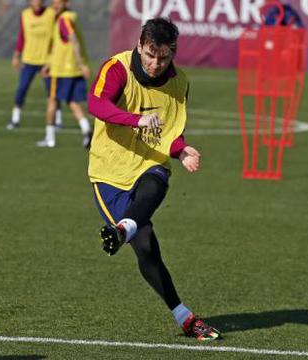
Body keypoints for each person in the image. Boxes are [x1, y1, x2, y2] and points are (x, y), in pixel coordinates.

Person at [87, 18, 222, 342]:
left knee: (157, 180)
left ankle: (125, 228)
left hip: (149, 162)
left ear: (173, 52)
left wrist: (182, 150)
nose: (156, 63)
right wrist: (136, 120)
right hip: (109, 172)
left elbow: (170, 134)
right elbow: (96, 104)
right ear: (140, 45)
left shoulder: (179, 82)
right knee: (146, 247)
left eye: (163, 57)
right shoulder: (118, 68)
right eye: (150, 54)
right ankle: (184, 317)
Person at [36, 0, 92, 148]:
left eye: (58, 2)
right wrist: (48, 63)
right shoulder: (69, 17)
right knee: (72, 102)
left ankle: (50, 138)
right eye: (53, 3)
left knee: (52, 101)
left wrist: (82, 64)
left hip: (62, 70)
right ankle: (87, 130)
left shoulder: (64, 19)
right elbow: (62, 46)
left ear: (66, 3)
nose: (55, 5)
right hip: (72, 69)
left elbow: (73, 40)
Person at [7, 0, 63, 130]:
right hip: (29, 60)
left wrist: (53, 59)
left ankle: (58, 120)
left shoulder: (51, 13)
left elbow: (57, 36)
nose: (36, 2)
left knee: (53, 93)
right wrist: (16, 56)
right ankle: (15, 119)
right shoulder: (25, 14)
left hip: (46, 62)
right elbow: (22, 37)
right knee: (22, 88)